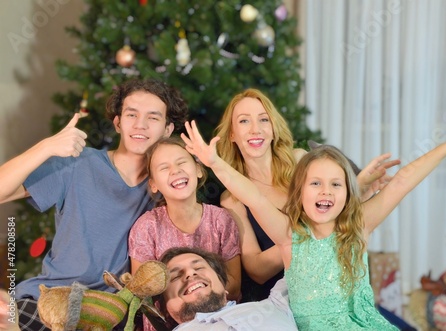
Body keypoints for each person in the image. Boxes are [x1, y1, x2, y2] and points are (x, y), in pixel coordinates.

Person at [181, 120, 446, 330]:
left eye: (336, 184)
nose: (326, 191)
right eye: (316, 183)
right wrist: (214, 162)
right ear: (299, 192)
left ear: (349, 192)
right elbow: (254, 197)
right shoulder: (290, 235)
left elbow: (402, 181)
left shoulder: (359, 224)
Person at [0, 78, 189, 330]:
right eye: (132, 114)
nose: (140, 125)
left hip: (114, 312)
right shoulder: (77, 163)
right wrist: (46, 147)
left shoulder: (168, 184)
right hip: (52, 300)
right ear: (118, 122)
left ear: (167, 129)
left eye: (153, 118)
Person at [214, 88, 400, 302]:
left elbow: (343, 219)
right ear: (232, 134)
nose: (256, 129)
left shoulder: (300, 161)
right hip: (281, 301)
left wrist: (361, 192)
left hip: (330, 285)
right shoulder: (232, 199)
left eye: (264, 120)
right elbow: (256, 270)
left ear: (274, 129)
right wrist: (304, 233)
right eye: (244, 121)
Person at [128, 136, 241, 331]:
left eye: (181, 162)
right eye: (164, 168)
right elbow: (143, 292)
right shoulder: (147, 227)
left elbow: (234, 286)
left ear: (198, 169)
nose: (175, 170)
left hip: (220, 320)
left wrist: (199, 296)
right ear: (154, 184)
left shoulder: (221, 219)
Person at [155, 246, 297, 331]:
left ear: (224, 286)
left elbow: (306, 243)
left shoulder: (278, 303)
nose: (190, 273)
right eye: (174, 277)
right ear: (164, 309)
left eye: (199, 267)